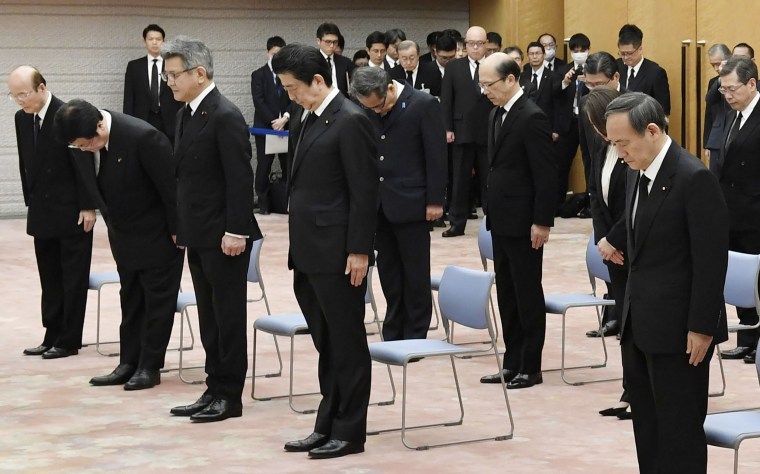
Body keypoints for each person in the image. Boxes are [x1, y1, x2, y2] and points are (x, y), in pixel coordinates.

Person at [607, 92, 729, 474]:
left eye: (623, 143)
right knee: (649, 428)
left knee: (680, 433)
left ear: (653, 131)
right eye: (613, 144)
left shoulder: (694, 178)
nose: (619, 152)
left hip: (680, 332)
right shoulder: (635, 172)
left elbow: (710, 263)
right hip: (640, 324)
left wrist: (701, 327)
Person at [273, 44, 378, 459]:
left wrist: (359, 251)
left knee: (347, 343)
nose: (290, 96)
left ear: (318, 80)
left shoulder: (351, 120)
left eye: (293, 87)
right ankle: (327, 422)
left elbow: (364, 192)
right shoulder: (307, 115)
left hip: (338, 253)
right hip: (309, 251)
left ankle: (350, 431)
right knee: (326, 343)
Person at [162, 36, 262, 423]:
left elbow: (240, 178)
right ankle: (213, 385)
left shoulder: (225, 114)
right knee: (208, 315)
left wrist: (237, 230)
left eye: (174, 75)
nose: (169, 82)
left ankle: (230, 394)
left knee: (228, 315)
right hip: (198, 231)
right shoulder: (185, 113)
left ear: (199, 73)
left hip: (225, 235)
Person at [54, 99, 184, 390]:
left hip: (157, 234)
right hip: (123, 234)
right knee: (131, 300)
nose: (85, 149)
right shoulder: (83, 141)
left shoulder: (142, 137)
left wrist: (178, 231)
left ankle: (149, 366)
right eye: (79, 147)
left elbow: (170, 189)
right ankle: (128, 362)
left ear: (99, 125)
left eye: (87, 144)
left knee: (157, 303)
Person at [476, 53, 557, 390]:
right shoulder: (497, 113)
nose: (485, 92)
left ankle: (530, 365)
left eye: (489, 85)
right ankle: (511, 361)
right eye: (481, 85)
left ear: (511, 80)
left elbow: (545, 174)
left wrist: (542, 221)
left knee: (526, 293)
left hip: (525, 222)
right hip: (502, 219)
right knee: (507, 292)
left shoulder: (531, 117)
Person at [7, 66, 96, 359]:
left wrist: (88, 205)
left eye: (24, 94)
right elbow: (26, 162)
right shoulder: (22, 119)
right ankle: (51, 333)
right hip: (42, 210)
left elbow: (83, 161)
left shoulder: (66, 114)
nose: (20, 100)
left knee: (72, 277)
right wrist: (29, 199)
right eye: (14, 95)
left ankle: (69, 339)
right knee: (50, 277)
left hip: (71, 210)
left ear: (42, 88)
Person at [351, 67, 446, 341]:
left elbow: (436, 155)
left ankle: (416, 331)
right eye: (369, 108)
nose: (376, 112)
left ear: (390, 88)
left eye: (379, 106)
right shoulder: (369, 106)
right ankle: (393, 328)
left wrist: (435, 200)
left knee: (415, 272)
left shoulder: (423, 104)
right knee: (390, 272)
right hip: (380, 204)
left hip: (412, 201)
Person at [580, 85, 632, 419]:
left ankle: (638, 390)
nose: (596, 131)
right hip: (612, 250)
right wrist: (603, 240)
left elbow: (636, 204)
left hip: (630, 247)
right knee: (626, 326)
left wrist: (615, 240)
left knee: (637, 322)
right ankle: (630, 388)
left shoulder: (633, 150)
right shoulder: (603, 150)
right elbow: (596, 197)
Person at [717, 55, 760, 365]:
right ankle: (747, 337)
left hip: (755, 213)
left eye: (732, 89)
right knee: (740, 279)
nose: (728, 95)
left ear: (752, 84)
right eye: (723, 89)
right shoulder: (732, 114)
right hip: (731, 211)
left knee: (757, 281)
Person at [439, 26, 492, 237]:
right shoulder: (454, 67)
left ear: (486, 44)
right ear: (465, 45)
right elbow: (446, 100)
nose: (476, 47)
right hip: (462, 130)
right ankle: (456, 222)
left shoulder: (494, 65)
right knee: (460, 179)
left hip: (488, 131)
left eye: (480, 43)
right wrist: (447, 128)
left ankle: (493, 221)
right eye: (471, 43)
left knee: (490, 178)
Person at [251, 35, 291, 215]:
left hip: (286, 127)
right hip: (265, 128)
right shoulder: (258, 75)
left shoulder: (289, 74)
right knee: (264, 166)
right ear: (267, 53)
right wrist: (274, 122)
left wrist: (286, 119)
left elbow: (294, 98)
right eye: (274, 53)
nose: (276, 57)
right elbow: (258, 101)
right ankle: (263, 204)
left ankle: (286, 203)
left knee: (288, 165)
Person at [123, 24, 183, 144]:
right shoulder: (134, 66)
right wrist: (127, 123)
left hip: (170, 119)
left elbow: (181, 91)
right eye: (151, 39)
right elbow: (129, 97)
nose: (154, 42)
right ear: (145, 42)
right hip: (143, 119)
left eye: (158, 39)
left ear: (163, 42)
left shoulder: (172, 65)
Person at [554, 33, 591, 214]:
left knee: (590, 163)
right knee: (561, 165)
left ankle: (591, 204)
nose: (579, 54)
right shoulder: (563, 70)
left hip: (588, 123)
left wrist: (589, 82)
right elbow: (553, 95)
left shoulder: (594, 68)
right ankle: (557, 204)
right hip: (567, 124)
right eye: (575, 51)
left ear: (588, 50)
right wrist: (565, 82)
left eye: (582, 50)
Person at [616, 24, 670, 116]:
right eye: (622, 53)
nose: (625, 57)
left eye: (629, 53)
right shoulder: (616, 66)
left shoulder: (656, 73)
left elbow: (663, 110)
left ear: (640, 49)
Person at [703, 43, 732, 175]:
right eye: (712, 65)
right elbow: (709, 110)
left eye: (718, 63)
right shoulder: (714, 82)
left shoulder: (741, 79)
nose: (716, 68)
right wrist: (707, 143)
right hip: (716, 138)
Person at [315, 23, 355, 95]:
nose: (332, 45)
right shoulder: (311, 61)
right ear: (318, 41)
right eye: (328, 42)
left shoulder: (346, 63)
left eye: (335, 42)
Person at [519, 41, 553, 121]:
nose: (534, 57)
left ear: (544, 55)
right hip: (525, 121)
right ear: (528, 56)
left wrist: (556, 130)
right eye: (531, 54)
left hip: (546, 121)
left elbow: (557, 105)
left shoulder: (553, 76)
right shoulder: (522, 76)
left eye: (538, 53)